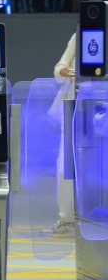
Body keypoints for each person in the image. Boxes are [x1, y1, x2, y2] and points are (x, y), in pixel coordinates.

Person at [48, 26, 77, 237]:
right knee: (64, 167)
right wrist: (69, 72)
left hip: (99, 108)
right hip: (72, 108)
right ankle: (66, 219)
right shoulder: (79, 36)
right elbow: (58, 69)